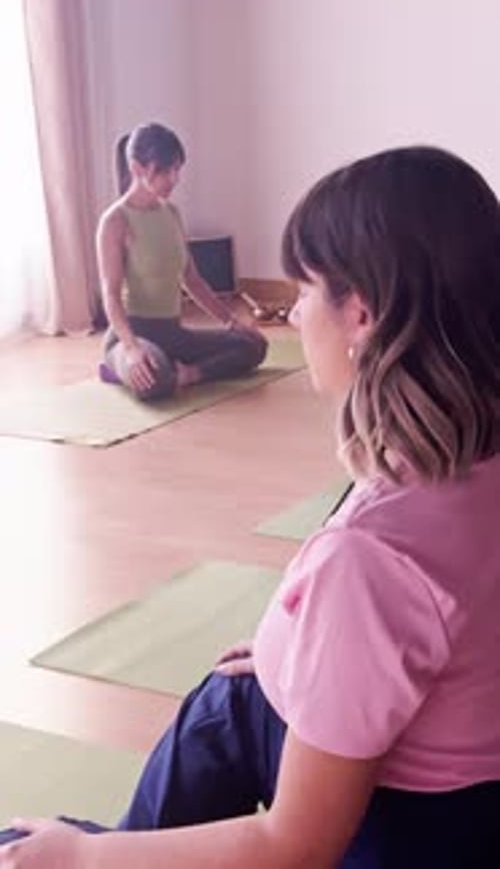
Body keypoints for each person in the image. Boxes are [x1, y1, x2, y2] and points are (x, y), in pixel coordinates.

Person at [2, 145, 500, 868]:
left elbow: (293, 844)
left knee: (213, 718)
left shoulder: (371, 549)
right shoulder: (465, 458)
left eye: (304, 290)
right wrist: (292, 653)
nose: (295, 313)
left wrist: (80, 857)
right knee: (243, 693)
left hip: (422, 837)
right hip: (475, 805)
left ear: (360, 312)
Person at [96, 122, 267, 400]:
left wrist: (232, 322)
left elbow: (193, 281)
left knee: (254, 347)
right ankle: (118, 366)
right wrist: (131, 347)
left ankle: (189, 374)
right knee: (155, 381)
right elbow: (111, 295)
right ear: (138, 168)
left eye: (177, 169)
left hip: (172, 332)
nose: (174, 179)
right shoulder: (114, 222)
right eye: (165, 171)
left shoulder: (172, 213)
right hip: (132, 334)